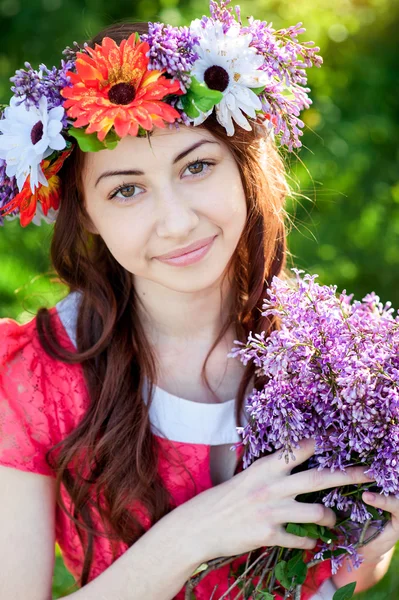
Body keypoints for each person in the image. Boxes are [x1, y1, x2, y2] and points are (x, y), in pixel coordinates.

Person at [0, 3, 397, 599]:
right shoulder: (37, 380)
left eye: (198, 166)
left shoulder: (332, 356)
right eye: (127, 190)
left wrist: (373, 533)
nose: (177, 222)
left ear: (244, 169)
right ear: (88, 216)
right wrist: (192, 537)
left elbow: (352, 575)